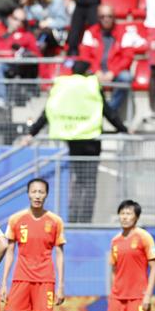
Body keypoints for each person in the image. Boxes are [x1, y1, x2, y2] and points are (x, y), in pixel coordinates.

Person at [23, 59, 129, 223]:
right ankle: (85, 220)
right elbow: (108, 111)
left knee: (77, 180)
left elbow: (48, 111)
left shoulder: (62, 85)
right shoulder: (91, 85)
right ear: (87, 71)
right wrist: (124, 129)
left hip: (72, 138)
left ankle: (73, 218)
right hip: (91, 139)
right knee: (89, 182)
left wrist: (32, 132)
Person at [0, 179, 66, 311]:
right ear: (28, 194)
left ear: (46, 195)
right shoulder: (17, 219)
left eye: (41, 192)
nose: (37, 195)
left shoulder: (55, 221)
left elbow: (59, 253)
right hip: (20, 280)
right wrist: (4, 282)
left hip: (45, 281)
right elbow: (9, 251)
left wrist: (60, 286)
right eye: (34, 191)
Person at [79, 4, 146, 112]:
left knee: (126, 78)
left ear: (114, 17)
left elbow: (127, 58)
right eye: (102, 16)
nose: (106, 19)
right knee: (79, 77)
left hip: (115, 71)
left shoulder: (124, 33)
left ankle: (109, 111)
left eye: (109, 16)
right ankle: (88, 110)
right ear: (98, 17)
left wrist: (113, 72)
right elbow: (85, 56)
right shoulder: (90, 33)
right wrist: (97, 71)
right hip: (95, 71)